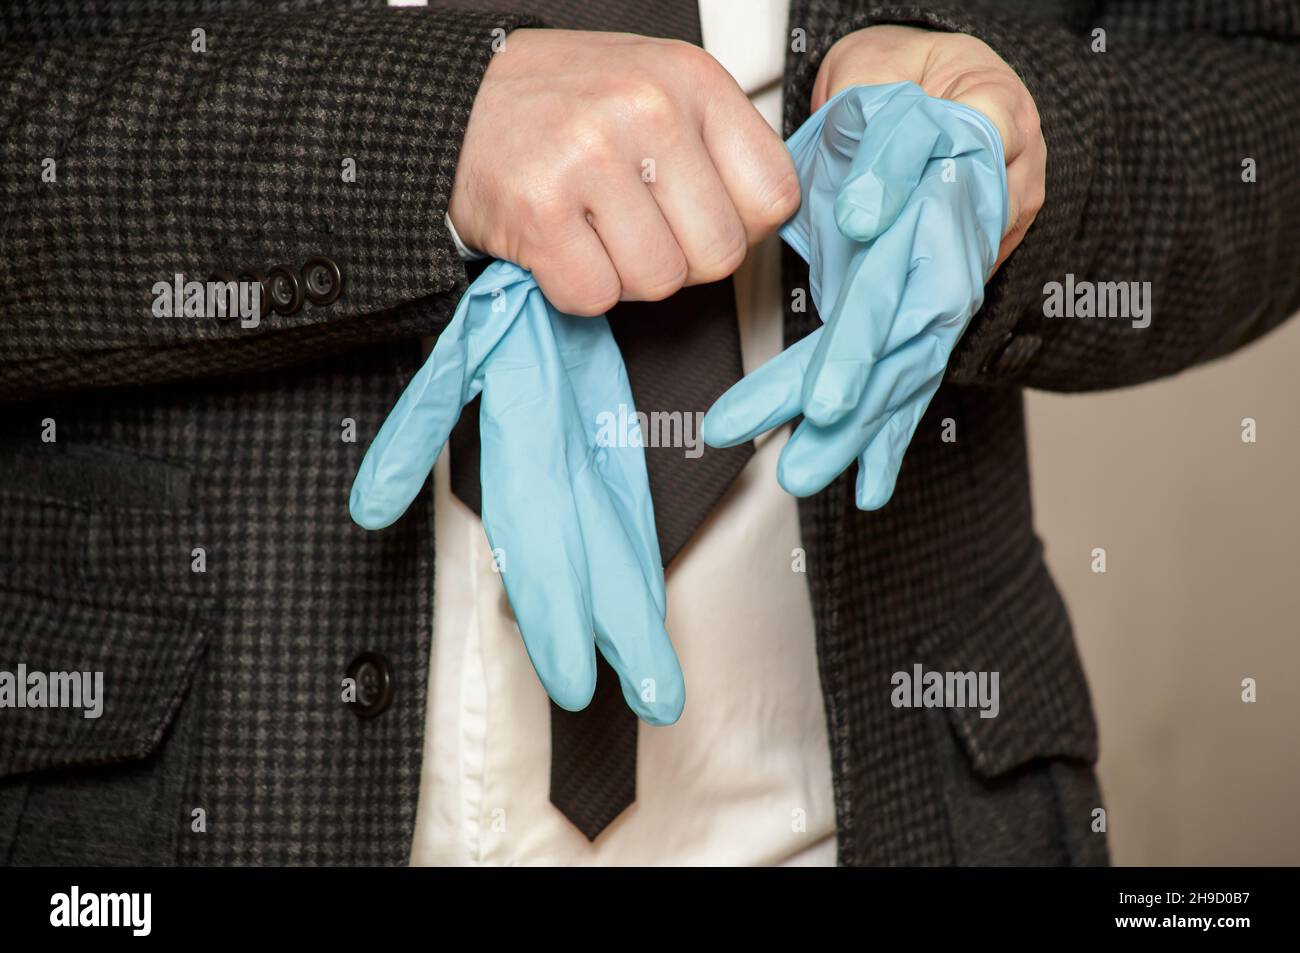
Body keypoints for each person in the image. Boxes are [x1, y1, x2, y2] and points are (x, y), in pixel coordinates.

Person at [1, 0, 1296, 867]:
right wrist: (421, 129)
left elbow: (1258, 71)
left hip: (901, 810)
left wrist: (1023, 145)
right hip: (181, 811)